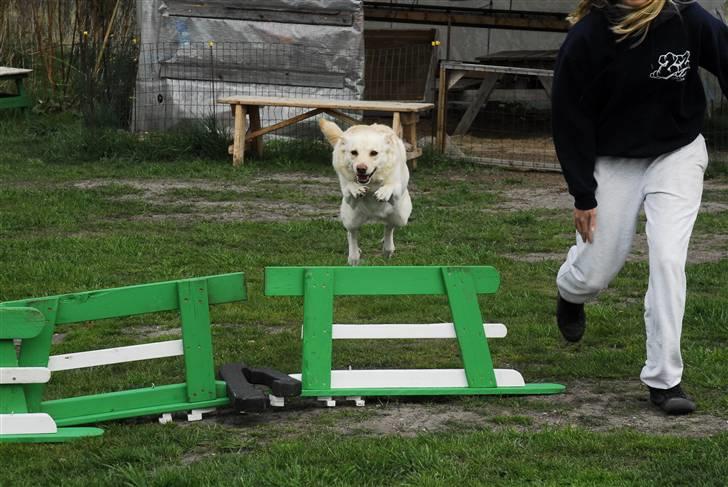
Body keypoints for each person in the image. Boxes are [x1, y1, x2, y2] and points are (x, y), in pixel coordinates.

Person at [551, 0, 728, 415]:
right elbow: (568, 118)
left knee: (668, 257)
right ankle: (571, 290)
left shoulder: (688, 19)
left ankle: (665, 379)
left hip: (678, 152)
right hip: (614, 158)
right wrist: (583, 195)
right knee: (598, 269)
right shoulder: (588, 37)